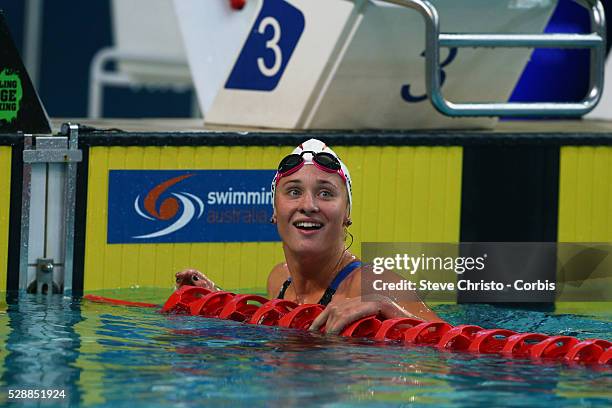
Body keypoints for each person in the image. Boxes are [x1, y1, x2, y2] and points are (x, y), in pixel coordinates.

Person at [175, 139, 442, 334]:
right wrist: (216, 299)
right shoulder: (279, 280)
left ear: (347, 212)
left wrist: (384, 305)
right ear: (274, 210)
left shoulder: (374, 284)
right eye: (293, 192)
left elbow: (454, 349)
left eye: (326, 193)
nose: (309, 205)